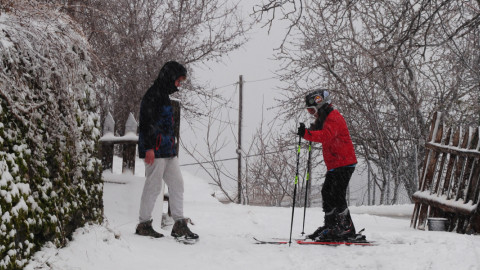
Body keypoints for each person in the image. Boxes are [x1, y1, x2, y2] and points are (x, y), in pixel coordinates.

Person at [135, 61, 198, 240]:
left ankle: (179, 224)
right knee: (153, 187)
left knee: (177, 184)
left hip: (168, 151)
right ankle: (144, 224)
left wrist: (171, 145)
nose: (179, 84)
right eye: (178, 80)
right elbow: (146, 124)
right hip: (154, 150)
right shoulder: (152, 95)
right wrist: (148, 148)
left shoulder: (164, 96)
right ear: (170, 77)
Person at [297, 89, 358, 241]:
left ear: (322, 106)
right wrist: (309, 130)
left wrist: (307, 134)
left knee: (337, 194)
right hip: (335, 164)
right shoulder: (325, 119)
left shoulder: (334, 117)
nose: (312, 113)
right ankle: (331, 225)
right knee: (327, 193)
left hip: (345, 162)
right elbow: (319, 131)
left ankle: (346, 227)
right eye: (309, 111)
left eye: (313, 110)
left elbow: (326, 135)